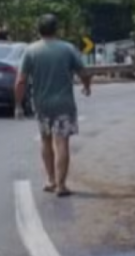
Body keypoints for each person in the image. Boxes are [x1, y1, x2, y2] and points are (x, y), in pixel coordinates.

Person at [14, 14, 92, 197]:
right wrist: (87, 87)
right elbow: (83, 72)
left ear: (38, 30)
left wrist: (18, 105)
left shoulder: (31, 51)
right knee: (62, 142)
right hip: (64, 105)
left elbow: (20, 81)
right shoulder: (68, 49)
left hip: (41, 105)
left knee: (45, 140)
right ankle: (61, 185)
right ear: (56, 29)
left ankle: (50, 179)